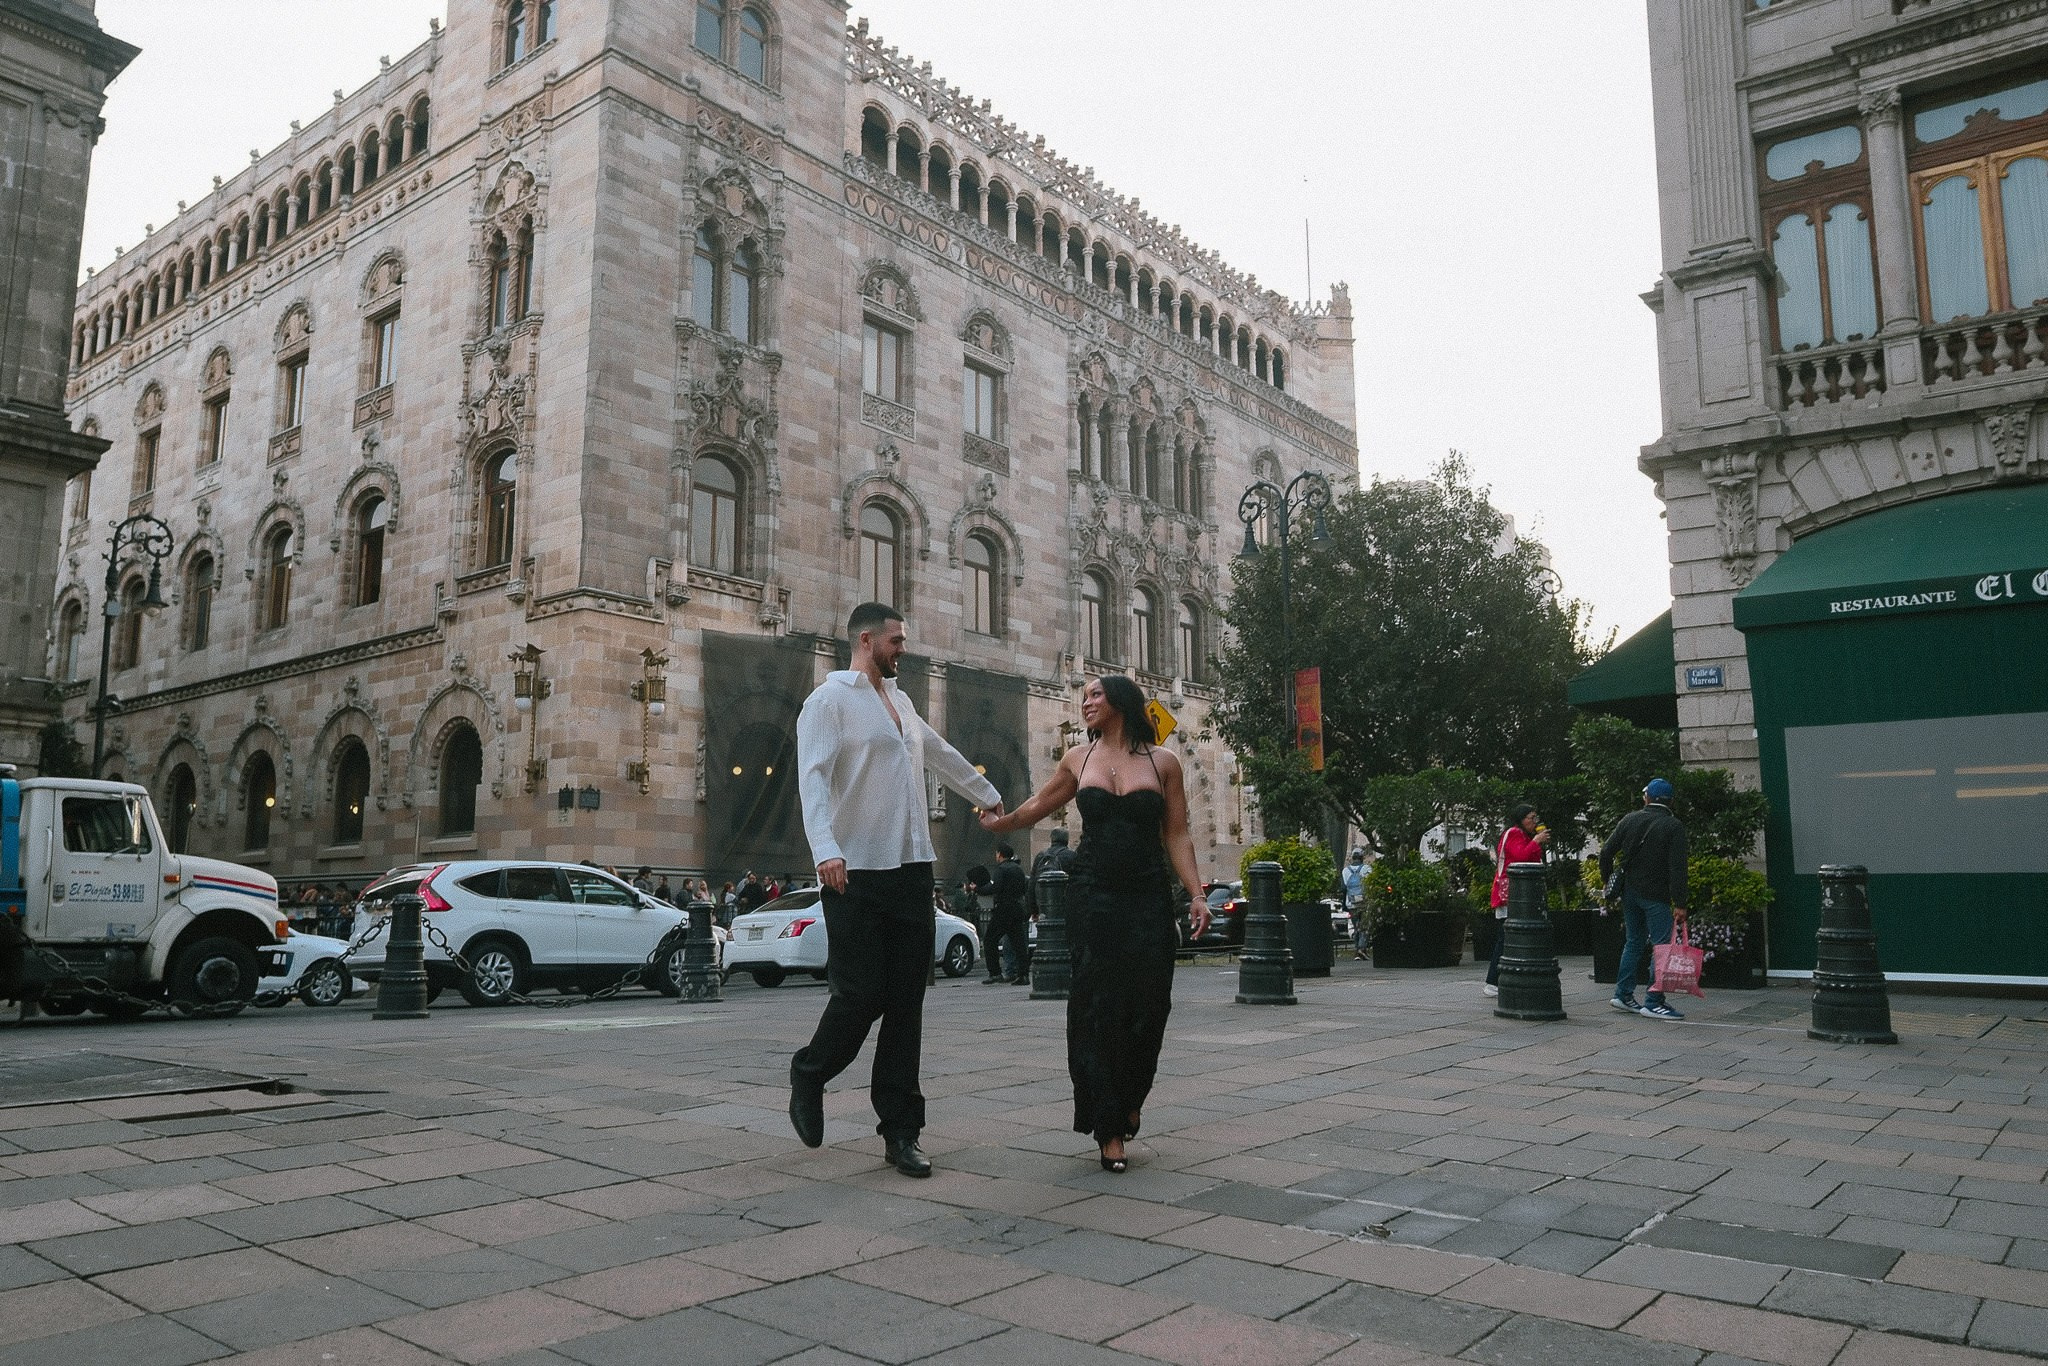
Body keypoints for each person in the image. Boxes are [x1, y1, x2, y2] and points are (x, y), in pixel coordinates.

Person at [787, 602, 1004, 1179]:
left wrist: (986, 795)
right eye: (896, 641)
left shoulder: (903, 702)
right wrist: (825, 850)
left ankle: (901, 1131)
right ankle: (810, 1073)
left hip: (911, 867)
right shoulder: (829, 701)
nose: (902, 649)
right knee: (860, 996)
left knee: (907, 1005)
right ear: (866, 639)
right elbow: (811, 779)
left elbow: (938, 752)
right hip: (853, 869)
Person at [980, 674, 1210, 1173]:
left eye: (1094, 696)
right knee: (1097, 1005)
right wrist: (1004, 823)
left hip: (1148, 892)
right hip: (1094, 893)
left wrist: (1195, 894)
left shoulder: (1163, 762)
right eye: (1082, 697)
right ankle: (1108, 1127)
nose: (1085, 704)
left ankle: (1132, 1096)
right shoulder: (1077, 759)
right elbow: (1040, 805)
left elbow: (1178, 833)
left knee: (1151, 1001)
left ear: (1121, 702)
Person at [1599, 777, 1690, 1021]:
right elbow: (1678, 868)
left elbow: (1606, 852)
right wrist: (1680, 902)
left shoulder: (1630, 819)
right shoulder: (1673, 826)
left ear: (1648, 797)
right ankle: (1654, 1001)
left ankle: (1623, 994)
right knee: (1662, 946)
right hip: (1656, 895)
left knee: (1633, 943)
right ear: (1670, 801)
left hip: (1630, 892)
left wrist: (1606, 880)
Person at [1485, 806, 1551, 996]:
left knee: (1508, 937)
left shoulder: (1524, 837)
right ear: (1521, 819)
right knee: (1504, 938)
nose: (1534, 821)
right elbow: (1520, 857)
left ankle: (1497, 979)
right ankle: (1492, 980)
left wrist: (1536, 843)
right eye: (1531, 818)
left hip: (1520, 893)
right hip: (1510, 892)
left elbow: (1532, 858)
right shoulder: (1513, 833)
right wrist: (1536, 841)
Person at [985, 844, 1030, 985]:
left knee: (989, 939)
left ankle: (995, 973)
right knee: (1019, 943)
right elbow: (1024, 888)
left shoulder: (1001, 869)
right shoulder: (1018, 869)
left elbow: (996, 887)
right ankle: (1024, 974)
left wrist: (979, 889)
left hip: (1004, 909)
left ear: (1000, 854)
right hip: (1017, 908)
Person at [1340, 848, 1370, 960]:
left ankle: (1357, 951)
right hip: (1364, 902)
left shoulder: (1345, 871)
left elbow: (1343, 889)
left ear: (1352, 858)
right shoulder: (1366, 869)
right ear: (1362, 858)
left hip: (1351, 903)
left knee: (1356, 926)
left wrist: (1344, 904)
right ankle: (1361, 949)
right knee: (1365, 926)